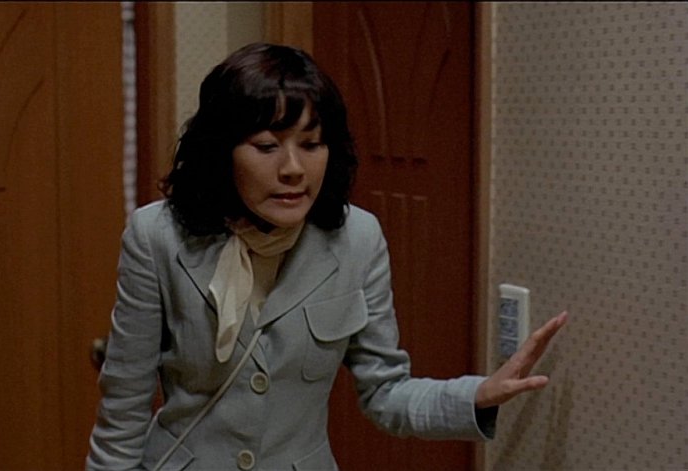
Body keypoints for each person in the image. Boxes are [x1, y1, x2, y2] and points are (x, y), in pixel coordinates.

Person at [86, 42, 567, 471]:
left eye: (312, 144)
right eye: (267, 146)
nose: (294, 168)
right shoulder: (158, 236)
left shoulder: (356, 238)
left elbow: (385, 392)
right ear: (222, 152)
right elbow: (123, 409)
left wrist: (477, 395)